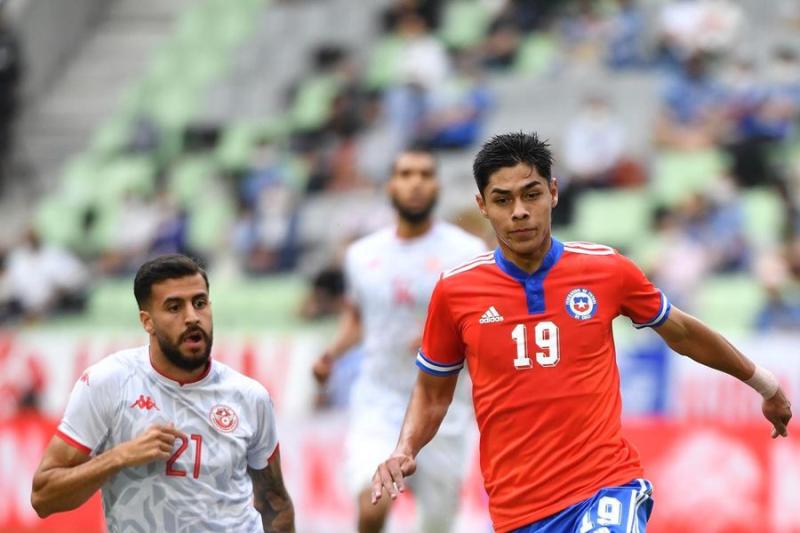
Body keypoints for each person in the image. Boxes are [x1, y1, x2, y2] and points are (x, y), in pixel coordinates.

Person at [371, 132, 792, 533]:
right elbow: (432, 390)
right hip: (516, 509)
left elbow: (681, 331)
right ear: (482, 206)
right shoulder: (455, 291)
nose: (519, 211)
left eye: (531, 194)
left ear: (553, 192)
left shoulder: (605, 270)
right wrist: (404, 449)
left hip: (605, 487)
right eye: (503, 200)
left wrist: (763, 383)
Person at [31, 254, 295, 532]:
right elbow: (43, 497)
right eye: (174, 307)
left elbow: (274, 500)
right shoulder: (109, 383)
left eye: (200, 303)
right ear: (148, 322)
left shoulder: (250, 397)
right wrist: (120, 456)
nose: (192, 317)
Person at [312, 148, 486, 532]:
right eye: (406, 174)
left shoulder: (466, 253)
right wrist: (331, 353)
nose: (416, 183)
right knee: (370, 504)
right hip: (379, 400)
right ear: (391, 185)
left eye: (425, 174)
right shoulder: (362, 256)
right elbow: (359, 318)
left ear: (437, 185)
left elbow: (482, 326)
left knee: (438, 525)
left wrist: (446, 338)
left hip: (442, 407)